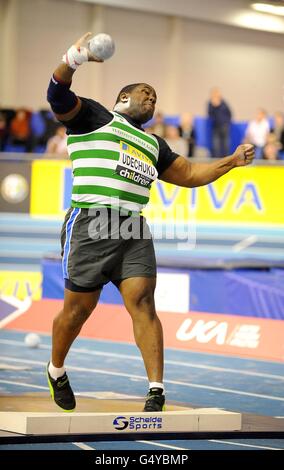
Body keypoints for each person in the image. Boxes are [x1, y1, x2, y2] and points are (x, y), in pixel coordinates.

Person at [46, 32, 255, 413]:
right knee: (78, 311)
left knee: (143, 303)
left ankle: (156, 389)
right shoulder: (95, 116)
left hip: (132, 229)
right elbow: (57, 95)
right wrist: (75, 56)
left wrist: (231, 161)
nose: (152, 98)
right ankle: (56, 369)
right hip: (90, 224)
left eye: (155, 97)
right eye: (145, 92)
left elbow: (189, 173)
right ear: (124, 98)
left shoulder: (154, 144)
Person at [208, 87, 232, 157]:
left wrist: (227, 122)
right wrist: (214, 106)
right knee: (216, 145)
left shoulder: (223, 102)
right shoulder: (210, 103)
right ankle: (217, 159)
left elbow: (229, 113)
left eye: (217, 93)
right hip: (215, 127)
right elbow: (210, 114)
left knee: (226, 144)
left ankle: (227, 158)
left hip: (225, 126)